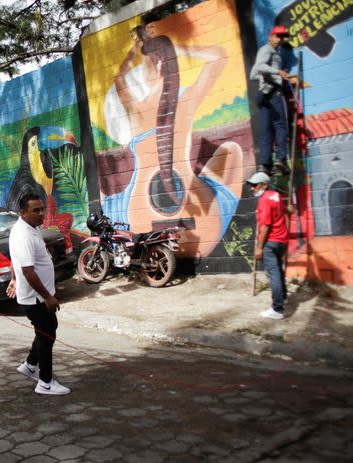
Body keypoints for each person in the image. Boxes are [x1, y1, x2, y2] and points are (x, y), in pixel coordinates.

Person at [107, 22, 243, 258]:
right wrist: (178, 49)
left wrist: (134, 50)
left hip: (138, 217)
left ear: (155, 64)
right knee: (232, 151)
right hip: (204, 228)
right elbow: (219, 56)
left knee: (104, 203)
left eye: (143, 66)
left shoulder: (136, 109)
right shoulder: (186, 99)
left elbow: (119, 78)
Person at [7, 193, 70, 395]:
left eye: (42, 209)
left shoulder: (28, 229)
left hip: (36, 295)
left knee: (45, 330)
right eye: (36, 210)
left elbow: (14, 260)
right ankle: (45, 382)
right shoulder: (23, 234)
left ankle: (30, 365)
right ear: (23, 212)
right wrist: (48, 297)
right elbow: (28, 270)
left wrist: (13, 279)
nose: (41, 213)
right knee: (47, 334)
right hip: (36, 297)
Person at [248, 172, 291, 320]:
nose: (252, 188)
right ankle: (283, 297)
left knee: (273, 275)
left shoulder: (264, 200)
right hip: (282, 241)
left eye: (255, 185)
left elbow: (265, 225)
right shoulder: (276, 195)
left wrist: (259, 247)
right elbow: (286, 210)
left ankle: (277, 309)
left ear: (264, 185)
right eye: (251, 185)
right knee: (278, 271)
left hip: (270, 242)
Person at [250, 25, 291, 176]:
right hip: (273, 92)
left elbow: (253, 74)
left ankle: (265, 165)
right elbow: (260, 66)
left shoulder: (270, 52)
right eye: (277, 36)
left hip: (263, 94)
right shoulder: (267, 50)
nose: (279, 39)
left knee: (266, 130)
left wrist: (265, 76)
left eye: (282, 37)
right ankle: (281, 161)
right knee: (280, 125)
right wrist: (277, 73)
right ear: (270, 36)